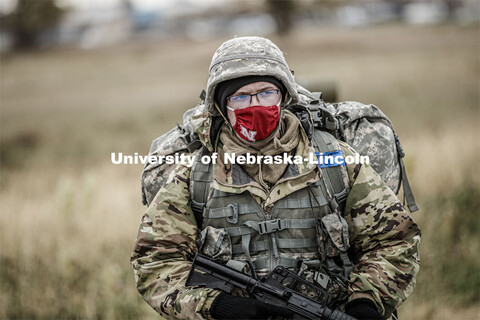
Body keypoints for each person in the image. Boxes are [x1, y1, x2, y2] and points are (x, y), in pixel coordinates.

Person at [131, 36, 421, 320]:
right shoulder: (197, 173)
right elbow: (156, 261)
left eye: (266, 93)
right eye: (241, 97)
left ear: (284, 96)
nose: (255, 105)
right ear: (221, 106)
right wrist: (215, 306)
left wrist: (366, 301)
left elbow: (393, 241)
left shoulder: (336, 161)